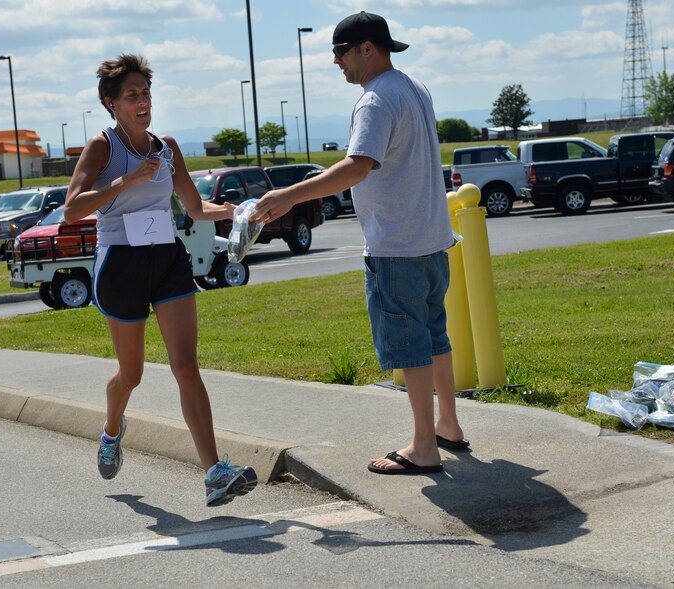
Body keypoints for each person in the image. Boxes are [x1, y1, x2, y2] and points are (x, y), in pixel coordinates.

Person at [251, 12, 469, 475]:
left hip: (397, 245)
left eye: (340, 52)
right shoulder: (413, 87)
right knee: (434, 337)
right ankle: (448, 425)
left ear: (366, 48)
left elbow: (357, 166)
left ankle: (423, 447)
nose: (336, 63)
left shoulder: (374, 101)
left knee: (409, 345)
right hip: (431, 240)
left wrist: (288, 196)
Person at [65, 54, 257, 506]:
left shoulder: (166, 147)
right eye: (132, 95)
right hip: (121, 265)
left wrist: (241, 210)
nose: (143, 102)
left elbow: (194, 208)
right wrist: (126, 181)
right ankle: (112, 430)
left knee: (185, 366)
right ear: (111, 103)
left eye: (146, 93)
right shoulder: (103, 147)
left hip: (167, 259)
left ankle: (214, 474)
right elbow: (74, 207)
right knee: (130, 375)